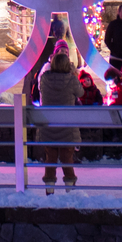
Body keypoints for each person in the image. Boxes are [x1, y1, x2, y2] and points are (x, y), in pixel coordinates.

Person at [37, 46, 80, 187]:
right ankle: (70, 189)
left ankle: (49, 189)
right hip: (67, 125)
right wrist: (73, 73)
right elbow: (81, 93)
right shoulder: (71, 80)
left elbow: (40, 89)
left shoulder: (44, 79)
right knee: (67, 158)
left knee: (50, 158)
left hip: (49, 124)